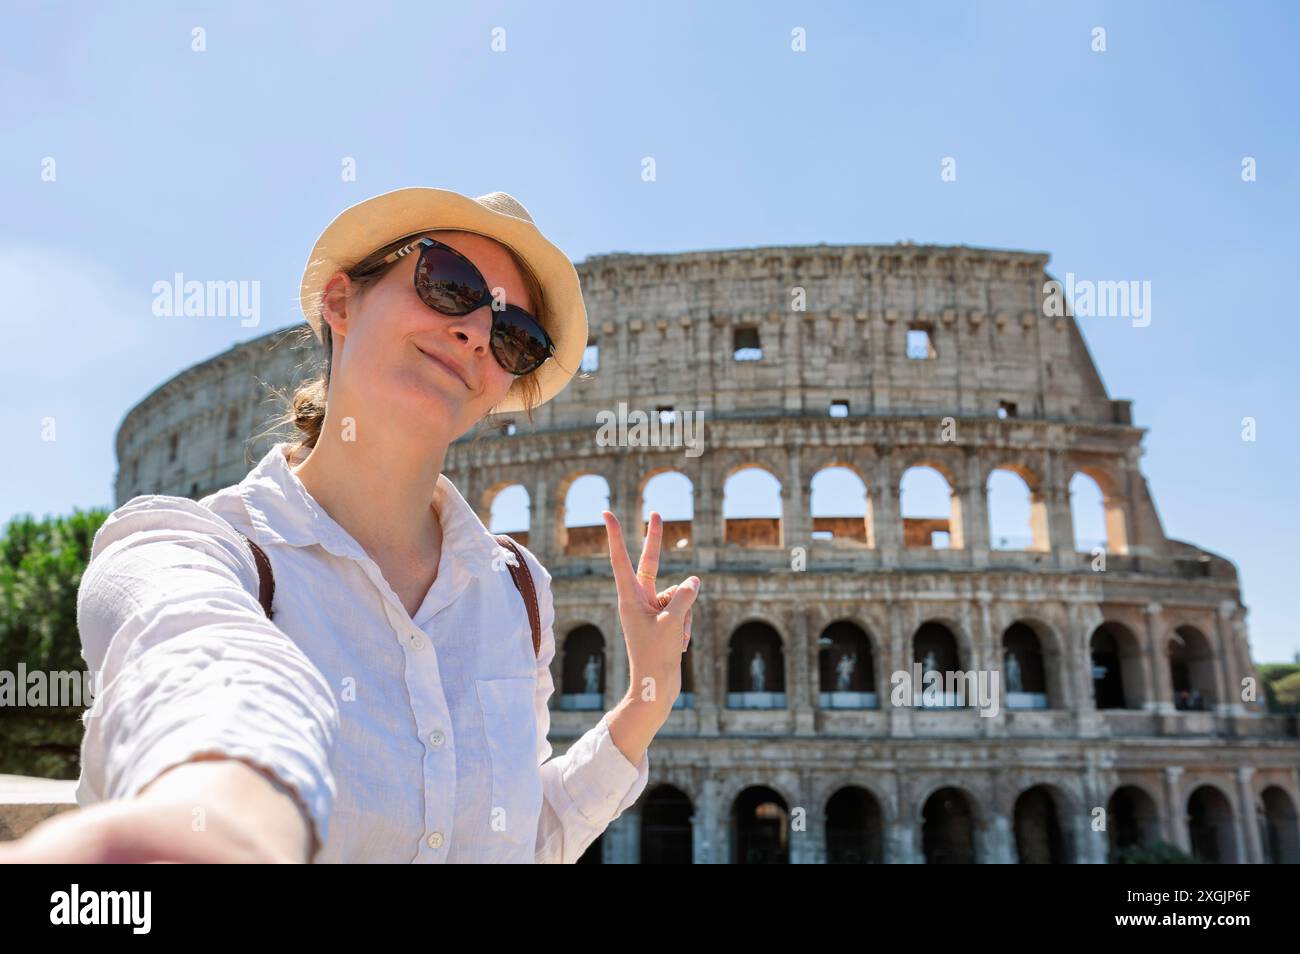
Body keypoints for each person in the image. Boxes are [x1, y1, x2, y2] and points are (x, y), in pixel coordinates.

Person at [0, 187, 701, 863]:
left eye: (516, 335)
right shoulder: (187, 548)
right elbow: (205, 670)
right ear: (340, 301)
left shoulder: (520, 593)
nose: (477, 333)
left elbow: (520, 839)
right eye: (449, 284)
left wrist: (648, 698)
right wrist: (229, 815)